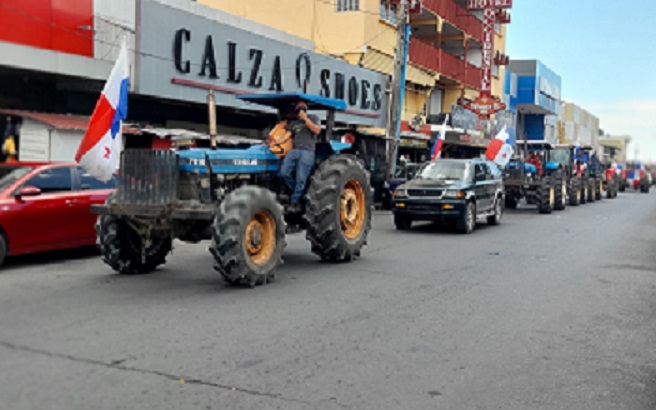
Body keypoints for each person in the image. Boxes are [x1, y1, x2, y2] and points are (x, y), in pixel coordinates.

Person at [280, 101, 321, 212]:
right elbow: (287, 136)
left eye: (302, 106)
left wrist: (305, 119)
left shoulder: (313, 117)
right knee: (284, 173)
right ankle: (299, 193)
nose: (300, 107)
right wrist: (275, 142)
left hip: (307, 152)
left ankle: (294, 202)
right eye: (298, 106)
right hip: (295, 150)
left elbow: (317, 130)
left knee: (301, 179)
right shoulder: (293, 123)